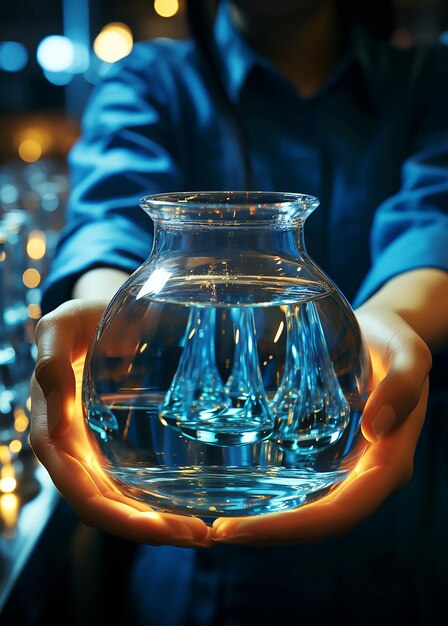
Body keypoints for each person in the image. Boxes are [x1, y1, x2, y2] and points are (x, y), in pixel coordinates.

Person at [30, 0, 448, 623]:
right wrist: (104, 310)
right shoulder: (149, 80)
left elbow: (433, 227)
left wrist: (386, 331)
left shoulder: (429, 82)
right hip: (191, 584)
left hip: (403, 565)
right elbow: (111, 226)